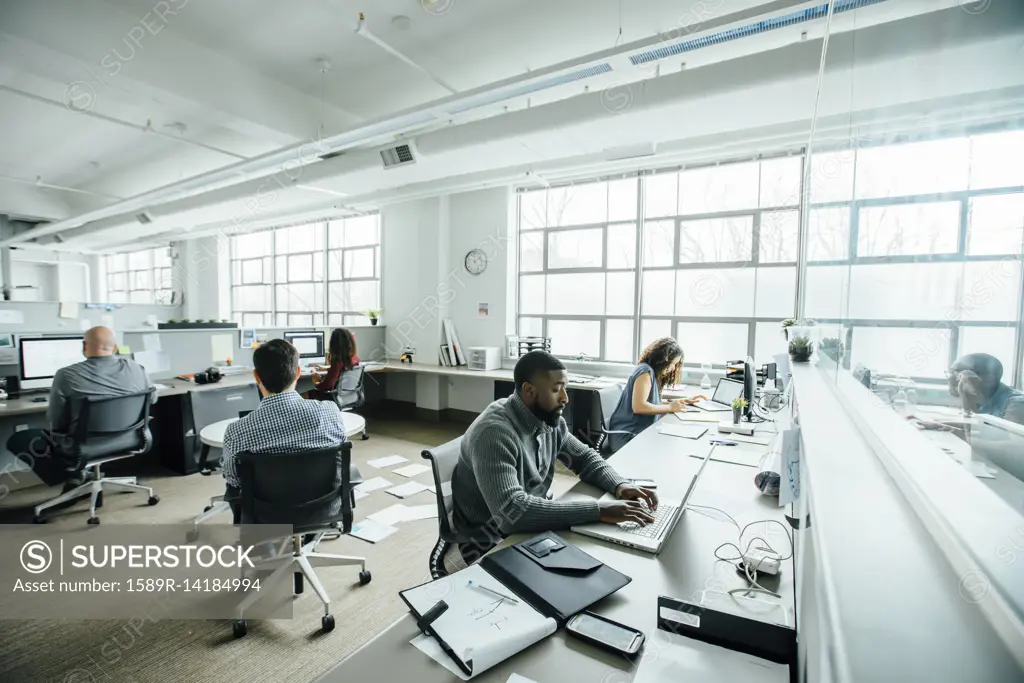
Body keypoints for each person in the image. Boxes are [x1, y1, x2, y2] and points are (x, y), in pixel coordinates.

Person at [450, 350, 659, 566]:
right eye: (556, 389)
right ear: (528, 390)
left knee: (603, 558)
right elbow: (512, 513)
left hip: (527, 520)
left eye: (564, 388)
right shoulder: (494, 433)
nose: (565, 398)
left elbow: (584, 458)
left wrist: (619, 485)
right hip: (489, 539)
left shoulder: (549, 420)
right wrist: (598, 511)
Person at [4, 326, 153, 488]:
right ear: (115, 348)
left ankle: (73, 477)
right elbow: (152, 399)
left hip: (83, 447)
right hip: (132, 439)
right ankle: (79, 476)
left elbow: (56, 421)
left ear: (84, 346)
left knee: (20, 439)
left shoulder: (66, 375)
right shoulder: (138, 369)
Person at [221, 339, 349, 518]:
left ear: (257, 377)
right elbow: (340, 461)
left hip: (266, 516)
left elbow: (233, 480)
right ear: (297, 373)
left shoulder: (237, 431)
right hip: (324, 510)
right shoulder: (330, 412)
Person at [607, 337, 706, 452]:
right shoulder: (645, 372)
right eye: (672, 363)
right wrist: (669, 407)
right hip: (627, 436)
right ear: (662, 360)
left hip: (638, 433)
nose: (673, 368)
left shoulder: (651, 372)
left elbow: (653, 403)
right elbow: (639, 407)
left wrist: (684, 400)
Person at [947, 353, 1024, 425]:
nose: (950, 379)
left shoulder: (1017, 406)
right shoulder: (980, 400)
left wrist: (967, 400)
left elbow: (1014, 439)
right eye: (951, 372)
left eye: (959, 374)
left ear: (989, 379)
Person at [304, 328, 359, 401]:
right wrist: (326, 369)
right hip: (348, 396)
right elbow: (340, 371)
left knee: (302, 396)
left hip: (332, 397)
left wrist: (317, 381)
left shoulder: (337, 361)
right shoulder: (354, 358)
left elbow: (327, 385)